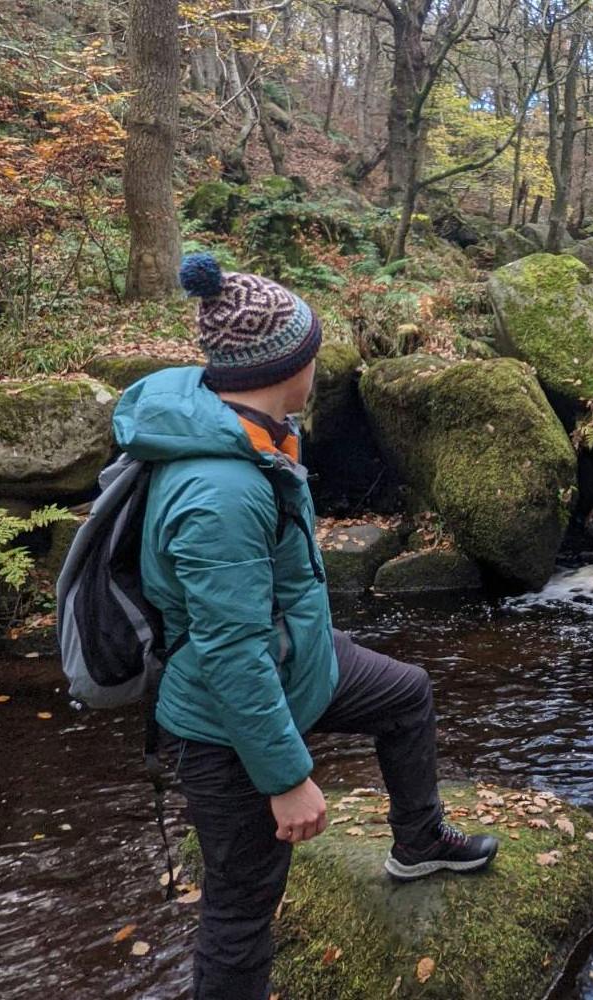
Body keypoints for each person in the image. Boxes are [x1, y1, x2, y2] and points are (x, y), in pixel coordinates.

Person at [110, 254, 498, 1000]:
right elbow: (231, 656)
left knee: (406, 694)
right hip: (225, 725)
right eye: (312, 348)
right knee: (241, 914)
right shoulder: (218, 494)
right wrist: (287, 779)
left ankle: (419, 843)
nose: (320, 362)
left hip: (299, 663)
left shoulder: (252, 424)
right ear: (289, 362)